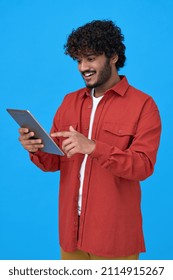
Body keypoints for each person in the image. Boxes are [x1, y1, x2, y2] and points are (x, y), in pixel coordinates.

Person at [18, 20, 161, 260]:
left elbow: (143, 166)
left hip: (113, 239)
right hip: (71, 236)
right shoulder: (69, 102)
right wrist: (37, 148)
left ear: (113, 56)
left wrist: (94, 147)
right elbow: (54, 162)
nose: (83, 67)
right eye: (78, 60)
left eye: (91, 58)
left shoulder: (143, 106)